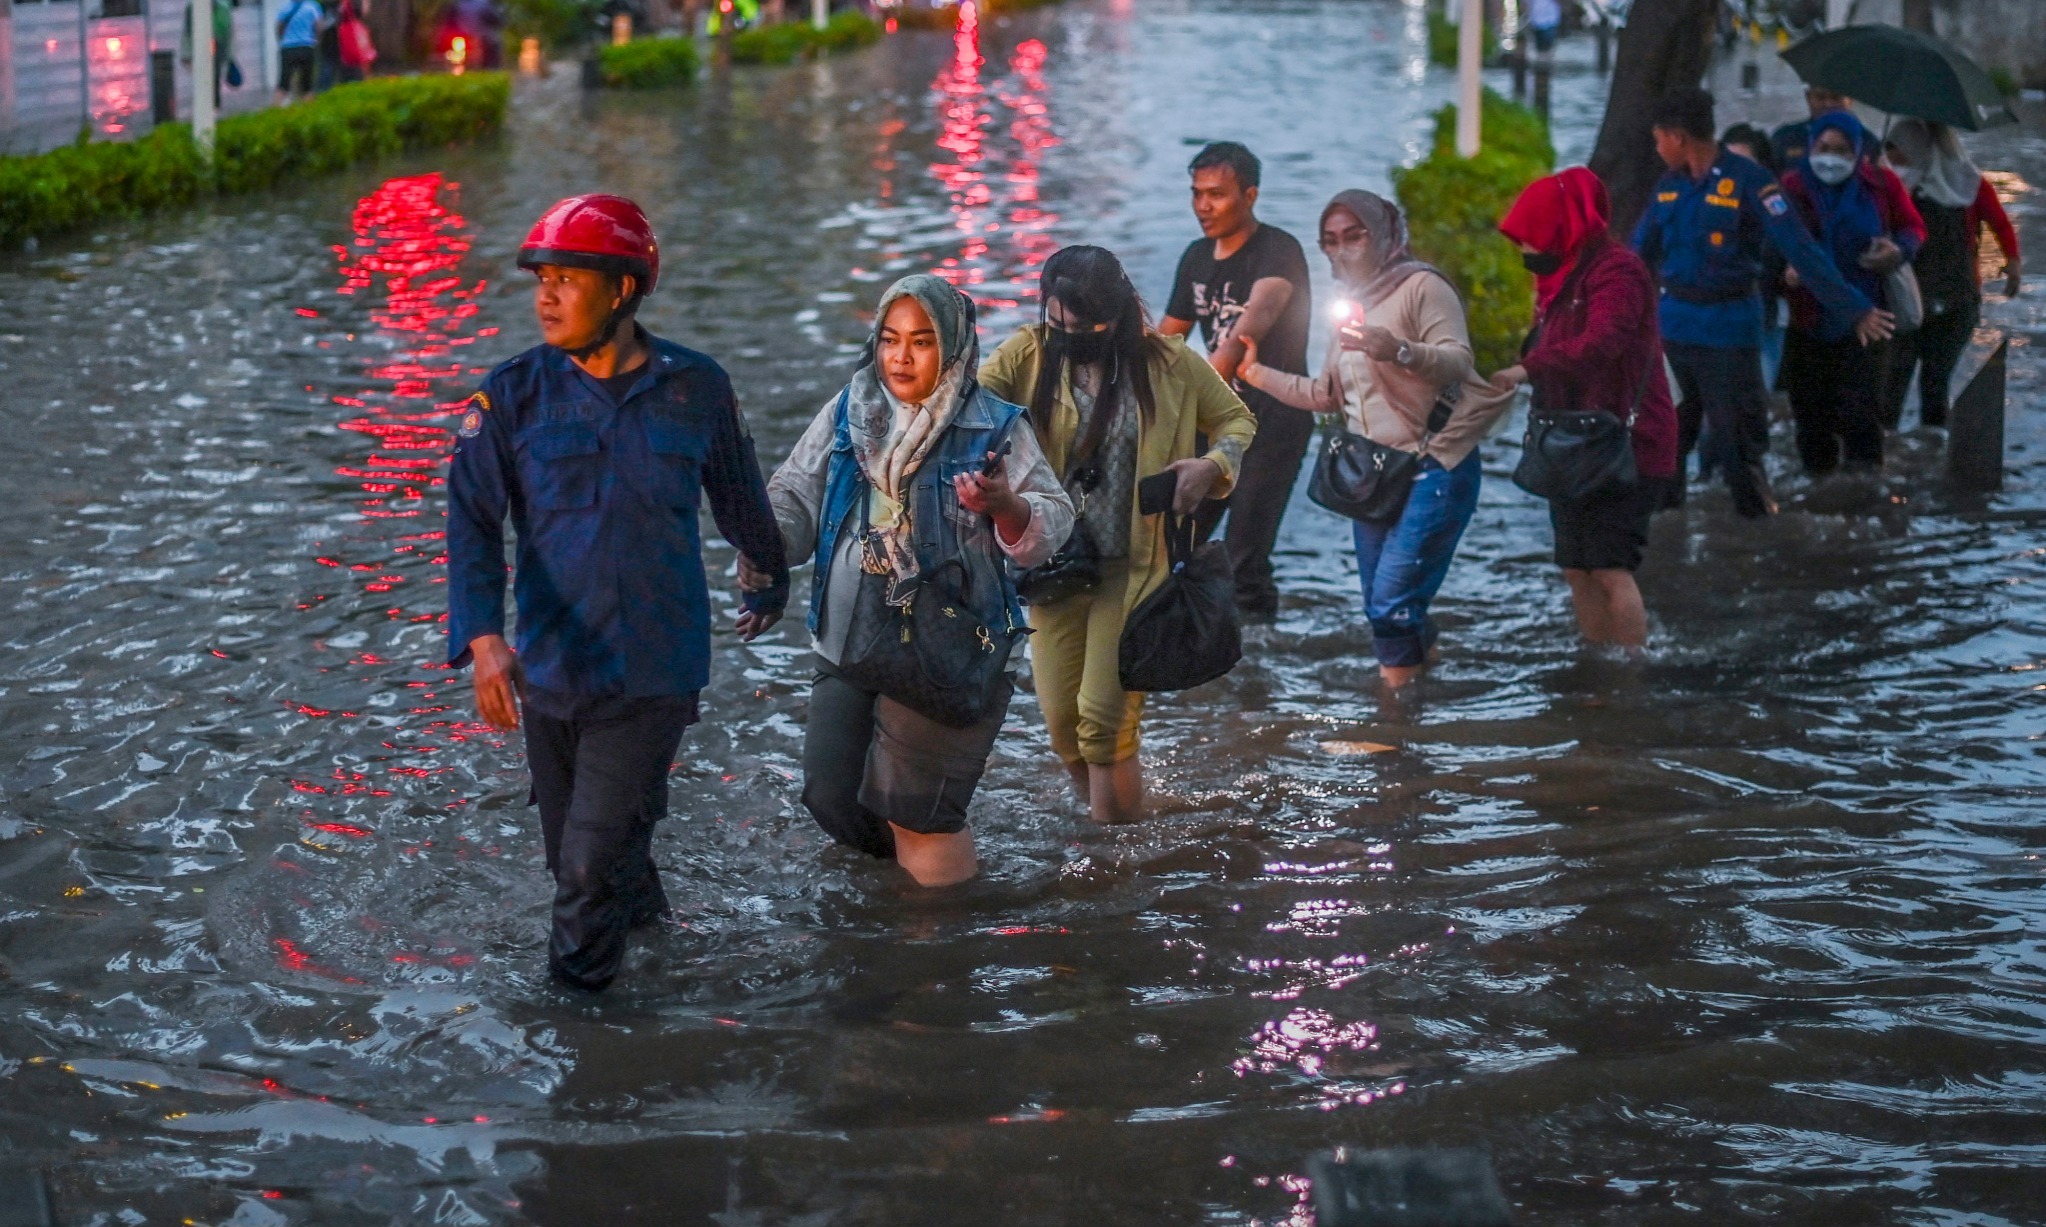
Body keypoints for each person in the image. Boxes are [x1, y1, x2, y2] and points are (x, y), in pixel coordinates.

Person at [445, 195, 790, 992]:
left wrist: (768, 574)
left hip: (652, 672)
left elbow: (739, 498)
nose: (546, 297)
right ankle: (665, 961)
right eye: (543, 279)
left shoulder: (696, 389)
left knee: (587, 871)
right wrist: (484, 639)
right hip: (554, 673)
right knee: (583, 859)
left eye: (569, 279)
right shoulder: (512, 397)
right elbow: (471, 522)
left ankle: (582, 1051)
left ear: (623, 292)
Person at [762, 275, 1074, 887]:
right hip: (850, 636)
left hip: (948, 648)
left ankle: (941, 953)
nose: (901, 357)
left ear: (953, 348)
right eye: (890, 339)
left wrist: (1006, 506)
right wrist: (760, 547)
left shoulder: (994, 426)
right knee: (830, 794)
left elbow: (1052, 525)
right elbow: (794, 497)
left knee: (920, 815)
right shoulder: (851, 410)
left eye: (922, 341)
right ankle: (908, 896)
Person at [981, 246, 1257, 822]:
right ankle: (1131, 818)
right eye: (1055, 322)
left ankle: (1113, 863)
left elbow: (1236, 419)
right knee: (1063, 729)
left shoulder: (1167, 364)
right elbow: (970, 408)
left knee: (1102, 720)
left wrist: (1212, 467)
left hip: (1136, 564)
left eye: (1081, 327)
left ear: (1117, 315)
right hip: (1051, 566)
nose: (1066, 335)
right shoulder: (1026, 354)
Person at [1235, 191, 1513, 687]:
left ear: (1384, 233)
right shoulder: (1352, 306)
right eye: (1330, 241)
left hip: (1435, 464)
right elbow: (1325, 394)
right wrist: (1255, 373)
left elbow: (1459, 360)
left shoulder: (1421, 287)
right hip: (1375, 472)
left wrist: (1400, 350)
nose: (1343, 250)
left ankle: (1395, 722)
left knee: (1389, 601)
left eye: (1354, 235)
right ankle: (1425, 681)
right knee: (1381, 603)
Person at [1632, 87, 1890, 518]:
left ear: (1676, 136)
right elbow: (1637, 256)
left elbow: (1802, 250)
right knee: (1664, 446)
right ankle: (1665, 548)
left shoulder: (1752, 182)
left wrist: (1854, 307)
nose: (1657, 150)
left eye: (1658, 139)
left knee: (1738, 450)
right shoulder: (1668, 186)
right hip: (1674, 334)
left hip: (1729, 335)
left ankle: (1759, 539)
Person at [1493, 168, 1679, 651]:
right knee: (1576, 567)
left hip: (1625, 442)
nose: (1525, 252)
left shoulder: (1618, 271)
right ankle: (1598, 661)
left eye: (1531, 238)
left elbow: (1603, 342)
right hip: (1573, 442)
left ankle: (1631, 670)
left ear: (1563, 228)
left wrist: (1526, 370)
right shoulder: (1560, 279)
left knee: (1612, 567)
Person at [1159, 142, 1313, 623]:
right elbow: (1167, 343)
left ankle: (1255, 672)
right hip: (1214, 427)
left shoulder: (1278, 250)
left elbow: (1252, 322)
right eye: (1197, 194)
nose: (1203, 206)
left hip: (1273, 425)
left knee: (1246, 558)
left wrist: (1219, 361)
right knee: (1170, 545)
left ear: (1250, 195)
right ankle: (1185, 646)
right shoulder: (1196, 257)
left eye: (1217, 195)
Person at [1777, 110, 1925, 475]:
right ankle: (1820, 495)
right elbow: (1770, 241)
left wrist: (1898, 250)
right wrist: (1786, 270)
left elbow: (1914, 228)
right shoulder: (1792, 187)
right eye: (1823, 147)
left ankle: (1866, 503)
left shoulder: (1881, 184)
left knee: (1862, 415)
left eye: (1842, 150)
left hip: (1869, 319)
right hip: (1808, 319)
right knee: (1812, 420)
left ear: (1858, 152)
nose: (1831, 157)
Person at [1879, 118, 2022, 429]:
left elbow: (2000, 222)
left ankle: (1932, 454)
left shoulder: (1968, 183)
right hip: (1904, 302)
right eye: (1888, 149)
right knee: (1892, 383)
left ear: (1919, 149)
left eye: (1897, 150)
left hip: (1956, 303)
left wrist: (2012, 262)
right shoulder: (1890, 188)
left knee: (1935, 383)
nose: (1891, 156)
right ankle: (1885, 459)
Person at [1770, 84, 1852, 169]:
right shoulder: (1785, 138)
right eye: (1820, 97)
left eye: (1836, 97)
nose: (1828, 104)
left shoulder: (1864, 139)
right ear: (1808, 97)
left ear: (1850, 100)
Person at [181, 0, 236, 109]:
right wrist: (186, 54)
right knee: (201, 76)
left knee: (215, 74)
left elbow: (228, 31)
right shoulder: (191, 8)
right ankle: (204, 105)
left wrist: (230, 54)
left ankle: (215, 104)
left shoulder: (223, 8)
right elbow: (187, 32)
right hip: (198, 45)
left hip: (217, 44)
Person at [275, 0, 323, 102]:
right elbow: (319, 26)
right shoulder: (313, 6)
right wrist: (316, 41)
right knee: (307, 84)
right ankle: (308, 112)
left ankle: (275, 109)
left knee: (283, 82)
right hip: (306, 46)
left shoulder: (285, 7)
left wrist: (282, 41)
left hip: (288, 48)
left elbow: (279, 26)